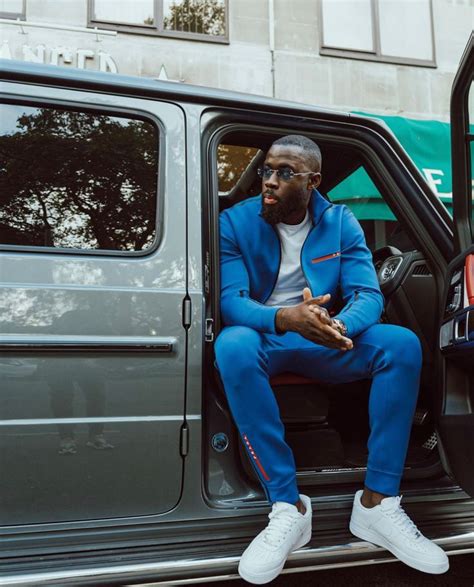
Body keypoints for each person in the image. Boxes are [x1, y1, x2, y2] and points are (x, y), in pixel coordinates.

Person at [215, 135, 449, 584]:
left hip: (326, 337)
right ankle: (288, 507)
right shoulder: (235, 222)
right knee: (232, 344)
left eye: (286, 173)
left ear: (313, 181)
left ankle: (379, 505)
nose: (270, 181)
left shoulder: (341, 221)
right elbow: (232, 302)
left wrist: (336, 327)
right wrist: (287, 317)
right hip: (272, 335)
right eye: (267, 170)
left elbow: (366, 294)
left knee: (400, 344)